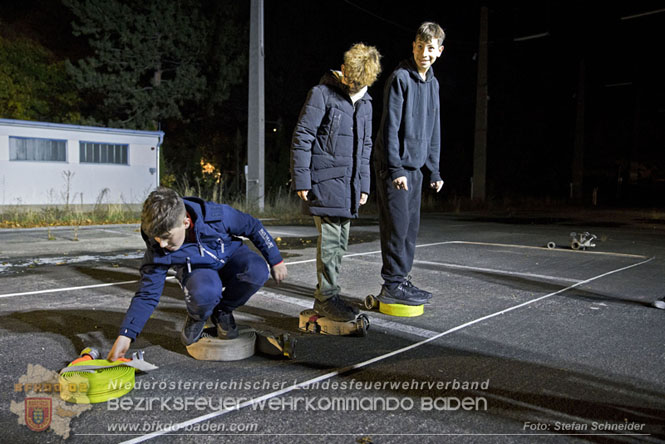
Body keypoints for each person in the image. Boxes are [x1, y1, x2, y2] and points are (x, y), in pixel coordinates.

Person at [107, 187, 287, 360]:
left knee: (256, 270)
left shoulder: (216, 216)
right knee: (205, 292)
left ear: (185, 222)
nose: (162, 244)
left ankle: (223, 311)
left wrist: (275, 259)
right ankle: (197, 316)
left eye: (167, 236)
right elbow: (147, 295)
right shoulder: (158, 249)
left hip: (230, 257)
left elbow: (253, 226)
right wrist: (126, 335)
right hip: (199, 271)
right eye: (157, 237)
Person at [291, 43, 382, 321]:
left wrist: (364, 185)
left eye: (359, 83)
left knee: (340, 243)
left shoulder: (366, 102)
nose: (353, 86)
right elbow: (303, 136)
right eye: (350, 80)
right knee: (331, 243)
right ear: (343, 70)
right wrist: (302, 179)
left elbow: (366, 146)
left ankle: (330, 294)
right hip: (324, 180)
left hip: (350, 185)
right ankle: (326, 299)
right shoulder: (322, 94)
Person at [372, 22, 445, 305]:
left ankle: (401, 280)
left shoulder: (433, 84)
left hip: (414, 168)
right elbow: (390, 127)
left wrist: (434, 169)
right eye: (419, 46)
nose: (423, 53)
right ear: (413, 46)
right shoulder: (400, 78)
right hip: (395, 167)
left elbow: (433, 128)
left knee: (410, 229)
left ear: (439, 51)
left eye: (430, 48)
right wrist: (395, 168)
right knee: (397, 227)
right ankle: (391, 284)